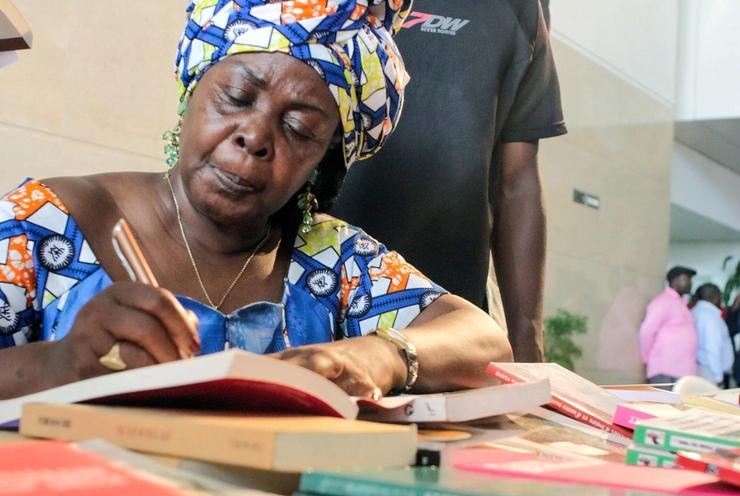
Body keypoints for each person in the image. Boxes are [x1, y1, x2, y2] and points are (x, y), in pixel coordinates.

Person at [0, 0, 512, 401]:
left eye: (298, 128)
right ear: (191, 92)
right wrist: (56, 364)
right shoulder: (45, 222)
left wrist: (381, 355)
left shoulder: (329, 260)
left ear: (323, 161)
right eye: (237, 98)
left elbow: (482, 339)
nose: (255, 136)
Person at [333, 0, 567, 362]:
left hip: (447, 326)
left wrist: (526, 342)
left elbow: (518, 180)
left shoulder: (518, 8)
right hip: (316, 297)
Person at [639, 266, 698, 384]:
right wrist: (647, 359)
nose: (690, 283)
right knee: (662, 403)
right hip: (665, 370)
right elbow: (646, 332)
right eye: (686, 279)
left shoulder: (681, 303)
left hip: (683, 371)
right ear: (675, 281)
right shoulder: (663, 301)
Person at [691, 283, 734, 388]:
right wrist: (718, 377)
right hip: (710, 372)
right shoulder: (710, 317)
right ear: (714, 296)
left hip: (702, 368)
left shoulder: (695, 311)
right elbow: (713, 348)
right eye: (720, 296)